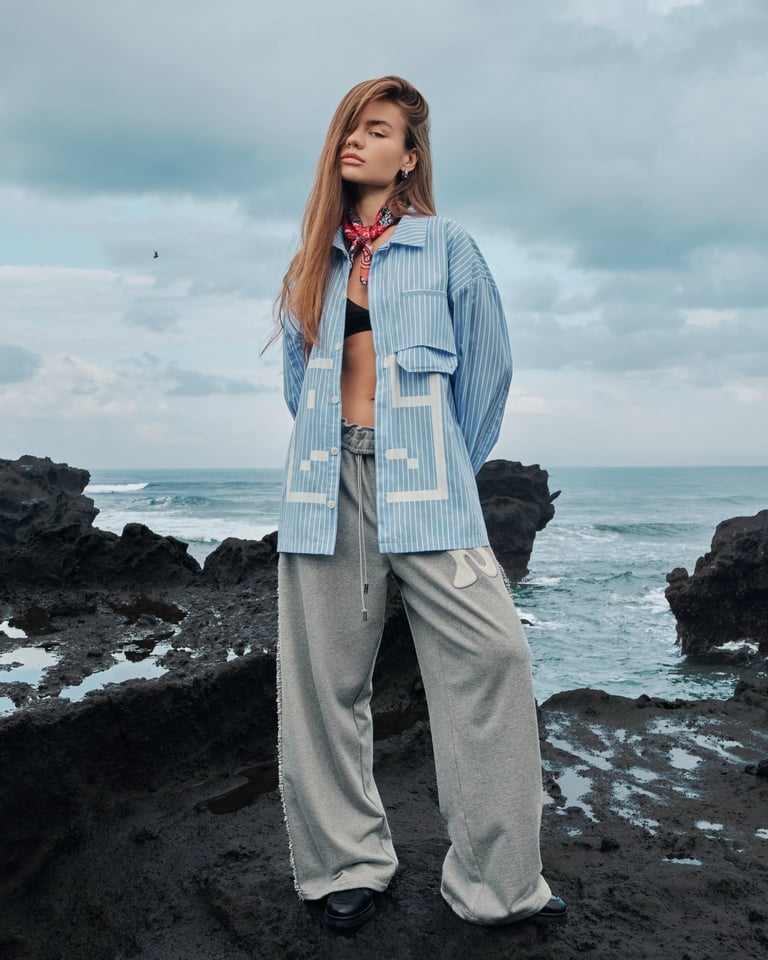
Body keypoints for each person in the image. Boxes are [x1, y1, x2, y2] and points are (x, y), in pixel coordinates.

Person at [272, 75, 566, 931]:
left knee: (494, 661)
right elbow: (301, 390)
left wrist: (443, 460)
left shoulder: (449, 249)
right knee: (324, 684)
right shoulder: (310, 262)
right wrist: (342, 455)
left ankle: (497, 885)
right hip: (326, 487)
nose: (356, 143)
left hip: (432, 487)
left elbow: (488, 373)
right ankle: (344, 869)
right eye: (349, 130)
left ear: (410, 157)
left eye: (378, 131)